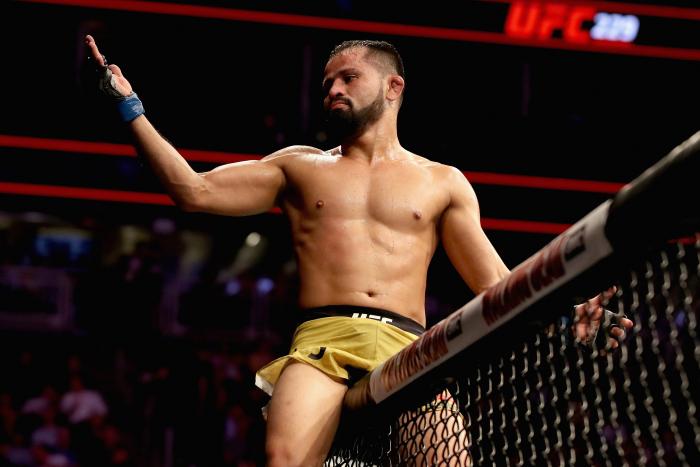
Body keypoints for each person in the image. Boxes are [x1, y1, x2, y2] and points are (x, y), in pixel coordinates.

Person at [84, 35, 632, 466]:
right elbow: (193, 191)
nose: (333, 90)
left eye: (349, 77)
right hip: (321, 343)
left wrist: (563, 317)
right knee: (283, 459)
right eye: (327, 82)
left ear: (393, 87)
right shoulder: (298, 166)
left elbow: (493, 281)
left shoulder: (441, 182)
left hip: (412, 350)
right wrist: (129, 106)